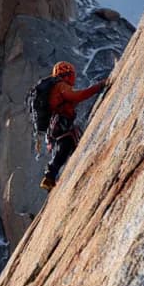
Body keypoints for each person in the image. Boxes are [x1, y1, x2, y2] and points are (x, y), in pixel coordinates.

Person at [32, 61, 107, 190]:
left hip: (54, 125)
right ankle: (50, 175)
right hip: (60, 122)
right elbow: (77, 96)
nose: (73, 77)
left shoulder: (55, 88)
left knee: (68, 144)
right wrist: (97, 87)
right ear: (67, 74)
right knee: (67, 142)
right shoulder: (61, 86)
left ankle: (52, 176)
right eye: (72, 74)